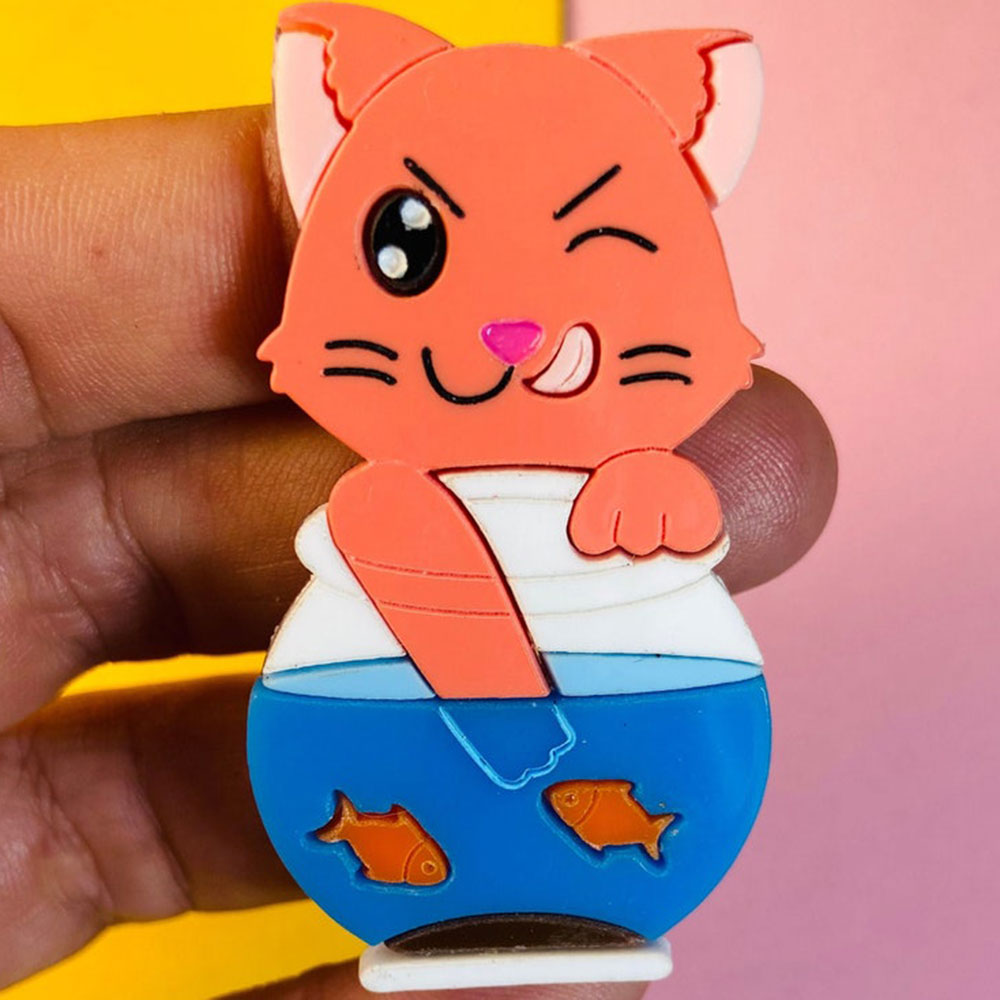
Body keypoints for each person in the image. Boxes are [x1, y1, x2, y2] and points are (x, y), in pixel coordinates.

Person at [0, 106, 837, 998]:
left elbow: (675, 538)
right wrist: (504, 706)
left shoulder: (622, 480)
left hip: (638, 705)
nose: (513, 331)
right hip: (380, 707)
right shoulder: (385, 507)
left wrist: (656, 499)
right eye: (411, 252)